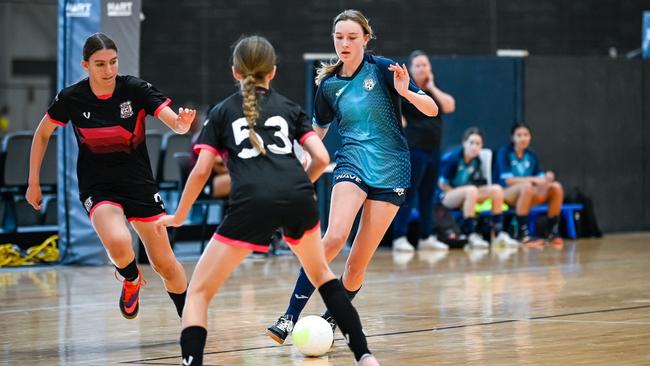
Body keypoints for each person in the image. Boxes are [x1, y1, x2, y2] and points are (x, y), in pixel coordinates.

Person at [155, 36, 379, 366]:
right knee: (322, 275)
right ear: (272, 72)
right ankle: (365, 357)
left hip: (252, 201)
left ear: (234, 72)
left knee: (198, 293)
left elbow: (201, 171)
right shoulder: (289, 108)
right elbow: (320, 157)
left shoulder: (221, 112)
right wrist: (297, 187)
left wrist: (178, 215)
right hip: (298, 195)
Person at [267, 9, 438, 344]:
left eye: (351, 37)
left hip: (392, 170)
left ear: (366, 39)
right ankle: (289, 316)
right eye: (338, 37)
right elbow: (317, 133)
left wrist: (406, 93)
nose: (344, 44)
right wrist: (301, 168)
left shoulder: (385, 69)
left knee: (357, 266)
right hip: (352, 164)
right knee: (332, 239)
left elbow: (431, 109)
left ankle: (331, 321)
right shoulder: (329, 86)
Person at [25, 33, 193, 320]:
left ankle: (191, 319)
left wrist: (181, 124)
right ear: (85, 65)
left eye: (113, 62)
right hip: (98, 185)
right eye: (100, 64)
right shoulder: (72, 98)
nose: (109, 70)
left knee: (165, 264)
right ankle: (130, 279)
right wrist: (33, 182)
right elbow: (42, 135)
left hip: (139, 184)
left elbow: (173, 122)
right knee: (117, 241)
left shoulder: (135, 89)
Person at [392, 50, 456, 252]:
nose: (422, 68)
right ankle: (399, 237)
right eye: (418, 65)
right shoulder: (406, 91)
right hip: (414, 150)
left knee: (428, 195)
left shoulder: (433, 91)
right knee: (408, 195)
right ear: (411, 69)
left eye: (425, 65)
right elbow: (395, 113)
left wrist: (432, 87)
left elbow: (450, 106)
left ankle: (426, 237)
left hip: (434, 150)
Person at [439, 127, 519, 248]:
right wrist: (461, 196)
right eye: (471, 143)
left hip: (468, 194)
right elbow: (442, 184)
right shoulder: (454, 158)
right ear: (464, 143)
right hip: (446, 196)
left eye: (478, 144)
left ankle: (498, 234)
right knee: (471, 190)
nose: (474, 147)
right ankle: (470, 234)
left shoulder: (477, 161)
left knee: (496, 190)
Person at [495, 123, 564, 245]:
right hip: (506, 193)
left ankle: (552, 232)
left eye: (526, 135)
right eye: (519, 135)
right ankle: (523, 235)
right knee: (526, 187)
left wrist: (547, 178)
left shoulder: (531, 155)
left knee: (556, 187)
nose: (523, 138)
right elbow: (508, 181)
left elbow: (539, 176)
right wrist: (532, 179)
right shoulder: (504, 153)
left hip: (527, 194)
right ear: (512, 138)